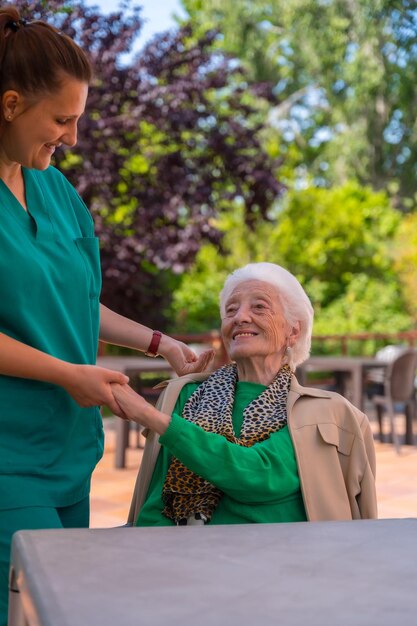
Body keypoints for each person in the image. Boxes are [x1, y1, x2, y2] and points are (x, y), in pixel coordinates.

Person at [0, 8, 213, 623]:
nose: (72, 138)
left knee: (55, 609)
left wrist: (158, 343)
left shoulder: (57, 193)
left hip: (69, 451)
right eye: (61, 120)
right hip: (8, 457)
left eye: (79, 120)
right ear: (11, 104)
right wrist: (70, 374)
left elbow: (74, 303)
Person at [112, 262, 377, 528]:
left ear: (293, 331)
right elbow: (158, 506)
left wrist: (149, 415)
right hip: (193, 557)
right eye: (231, 309)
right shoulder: (189, 394)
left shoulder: (318, 411)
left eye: (259, 306)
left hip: (286, 561)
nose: (240, 317)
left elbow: (260, 475)